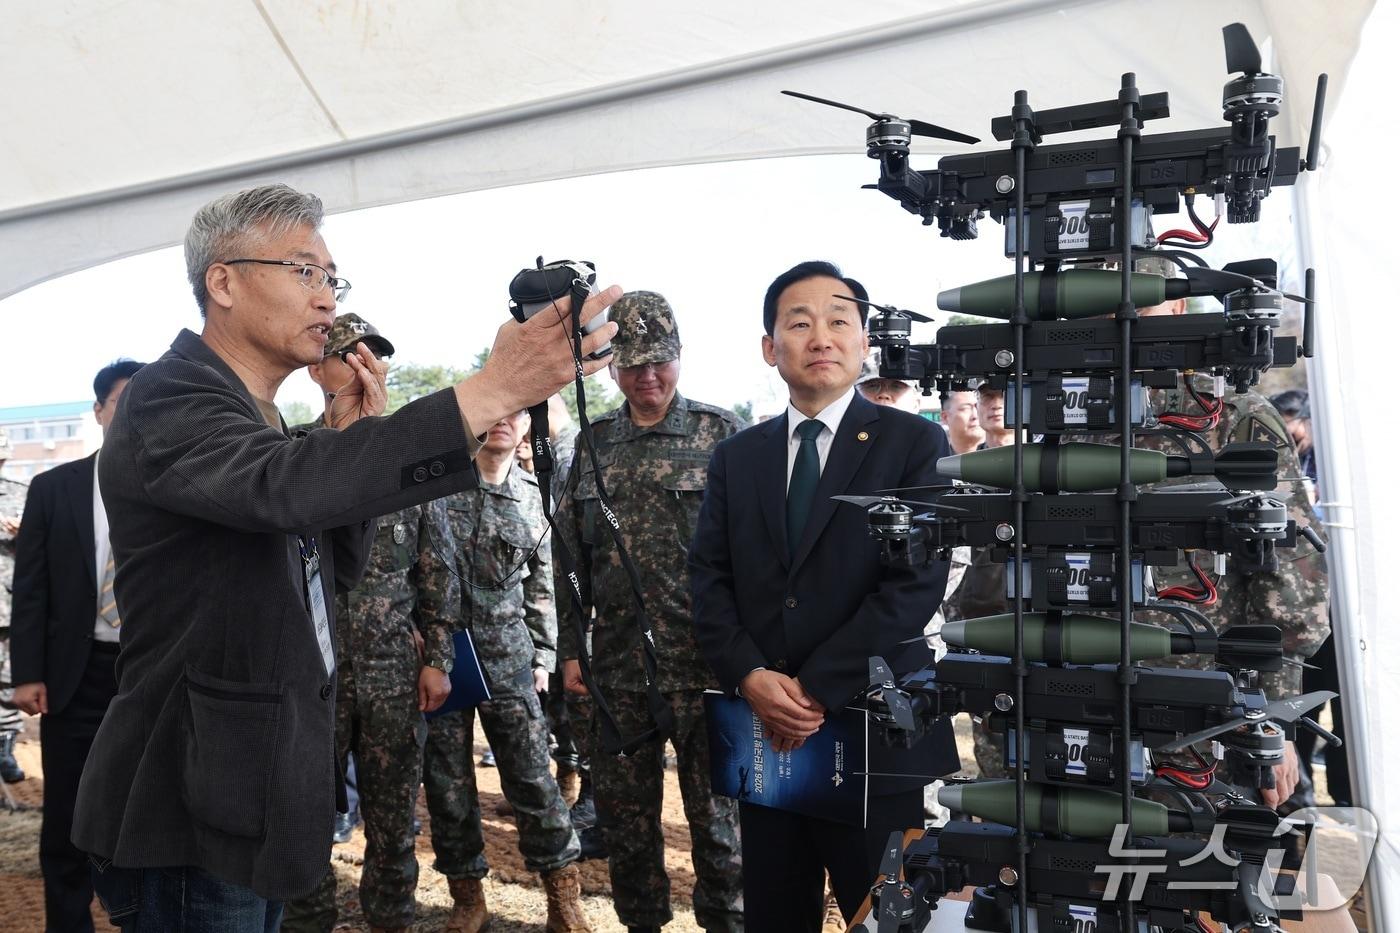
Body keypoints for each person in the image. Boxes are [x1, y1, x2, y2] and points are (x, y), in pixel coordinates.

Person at [69, 183, 618, 932]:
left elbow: (326, 578)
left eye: (333, 277)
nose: (327, 298)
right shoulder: (171, 393)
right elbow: (283, 491)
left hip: (251, 794)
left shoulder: (259, 416)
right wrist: (490, 390)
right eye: (303, 271)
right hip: (193, 808)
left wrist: (339, 439)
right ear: (222, 281)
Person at [689, 261, 957, 930]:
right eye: (799, 322)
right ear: (769, 346)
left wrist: (811, 689)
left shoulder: (916, 443)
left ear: (865, 341)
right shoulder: (737, 456)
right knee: (776, 912)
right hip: (768, 734)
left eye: (840, 321)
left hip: (873, 727)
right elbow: (708, 578)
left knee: (888, 913)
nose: (821, 337)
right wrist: (749, 674)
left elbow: (914, 585)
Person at [554, 291, 745, 933]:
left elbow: (756, 551)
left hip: (708, 667)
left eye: (659, 362)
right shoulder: (592, 443)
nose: (648, 378)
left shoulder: (721, 435)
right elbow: (567, 555)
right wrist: (570, 650)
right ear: (612, 367)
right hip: (617, 675)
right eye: (633, 365)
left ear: (680, 358)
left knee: (720, 829)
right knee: (629, 830)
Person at [280, 314, 460, 933]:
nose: (361, 366)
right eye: (345, 355)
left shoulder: (404, 456)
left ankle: (392, 919)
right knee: (304, 811)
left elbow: (438, 564)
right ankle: (308, 922)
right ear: (315, 369)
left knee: (390, 817)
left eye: (371, 356)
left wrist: (437, 657)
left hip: (391, 669)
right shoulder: (294, 451)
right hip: (312, 669)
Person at [424, 406, 589, 933]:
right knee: (448, 786)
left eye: (515, 414)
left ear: (526, 427)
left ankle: (564, 900)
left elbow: (543, 588)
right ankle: (467, 898)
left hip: (511, 664)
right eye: (493, 411)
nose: (501, 422)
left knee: (534, 784)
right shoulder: (438, 490)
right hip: (444, 661)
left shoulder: (532, 497)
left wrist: (542, 656)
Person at [9, 360, 143, 931]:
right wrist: (27, 673)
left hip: (151, 674)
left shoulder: (175, 488)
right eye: (123, 401)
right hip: (77, 671)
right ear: (99, 411)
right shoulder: (53, 488)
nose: (135, 413)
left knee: (146, 810)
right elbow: (32, 591)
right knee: (67, 811)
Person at [0, 426, 28, 785]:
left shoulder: (22, 493)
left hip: (8, 604)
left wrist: (25, 532)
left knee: (9, 680)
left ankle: (5, 747)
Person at [854, 351, 921, 414]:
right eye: (872, 386)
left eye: (896, 387)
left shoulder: (928, 426)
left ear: (916, 404)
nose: (884, 394)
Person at [939, 389, 985, 454]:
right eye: (965, 408)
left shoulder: (1000, 457)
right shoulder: (938, 461)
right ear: (945, 417)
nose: (975, 416)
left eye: (978, 407)